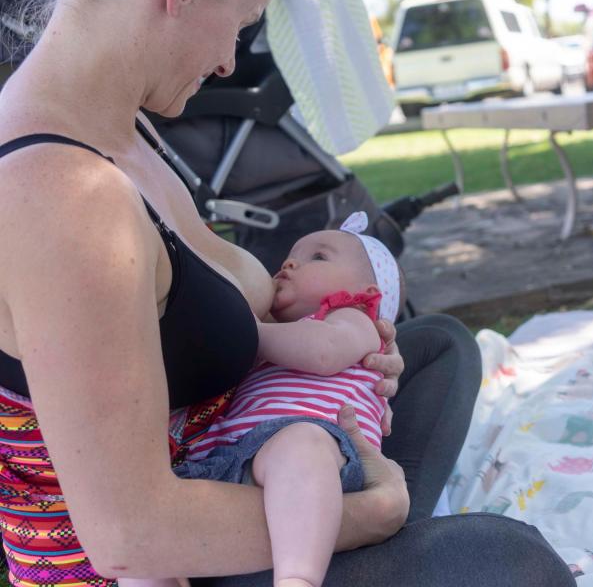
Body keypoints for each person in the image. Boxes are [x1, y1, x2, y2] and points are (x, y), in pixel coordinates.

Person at [0, 0, 575, 586]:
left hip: (238, 457)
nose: (227, 60)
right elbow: (133, 539)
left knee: (440, 346)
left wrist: (336, 363)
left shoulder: (124, 125)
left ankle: (339, 511)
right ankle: (351, 529)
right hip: (170, 557)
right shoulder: (59, 193)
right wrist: (372, 512)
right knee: (508, 561)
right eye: (241, 25)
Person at [123, 211, 404, 587]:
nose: (290, 262)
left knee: (300, 444)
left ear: (369, 293)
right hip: (225, 463)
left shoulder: (353, 319)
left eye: (318, 257)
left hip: (315, 459)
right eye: (292, 254)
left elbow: (324, 353)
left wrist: (248, 330)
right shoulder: (277, 333)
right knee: (144, 543)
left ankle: (297, 578)